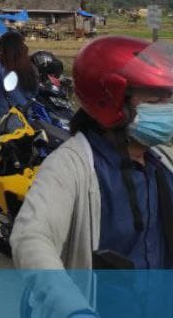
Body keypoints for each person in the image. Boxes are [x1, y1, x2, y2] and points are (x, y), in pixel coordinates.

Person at [13, 37, 173, 276]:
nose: (167, 107)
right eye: (155, 100)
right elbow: (32, 236)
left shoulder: (163, 162)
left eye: (169, 97)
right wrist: (67, 302)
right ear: (111, 101)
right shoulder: (71, 165)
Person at [0, 32, 36, 144]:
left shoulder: (0, 67)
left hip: (1, 120)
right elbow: (34, 93)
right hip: (23, 120)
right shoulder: (31, 67)